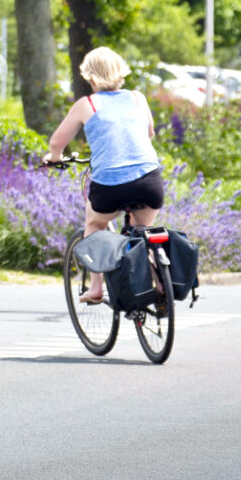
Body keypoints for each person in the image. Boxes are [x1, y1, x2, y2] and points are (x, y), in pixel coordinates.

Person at [47, 46, 164, 304]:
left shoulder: (86, 104)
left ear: (90, 77)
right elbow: (150, 133)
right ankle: (161, 283)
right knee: (143, 229)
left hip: (111, 185)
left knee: (94, 224)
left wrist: (54, 157)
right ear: (121, 73)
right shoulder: (137, 98)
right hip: (149, 179)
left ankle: (96, 287)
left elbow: (57, 142)